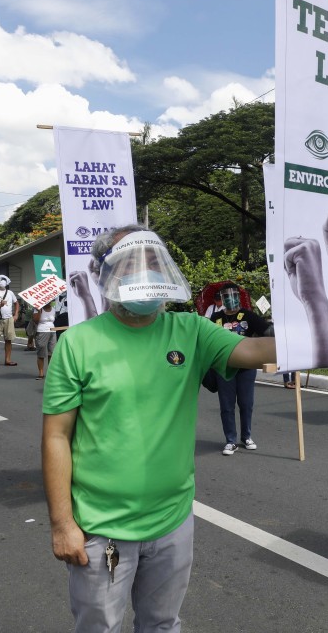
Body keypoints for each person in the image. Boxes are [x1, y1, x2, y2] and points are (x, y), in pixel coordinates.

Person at [41, 225, 276, 633]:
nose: (145, 273)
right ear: (105, 274)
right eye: (132, 265)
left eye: (153, 263)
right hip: (101, 529)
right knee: (100, 628)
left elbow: (254, 350)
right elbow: (56, 436)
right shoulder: (77, 344)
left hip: (172, 521)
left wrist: (325, 333)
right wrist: (63, 525)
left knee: (163, 625)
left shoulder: (190, 330)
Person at [210, 282, 271, 455]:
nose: (231, 298)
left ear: (238, 296)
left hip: (246, 368)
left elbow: (267, 330)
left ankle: (246, 436)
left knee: (246, 404)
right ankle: (231, 440)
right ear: (221, 299)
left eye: (234, 294)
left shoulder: (248, 316)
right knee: (227, 406)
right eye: (226, 295)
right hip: (224, 368)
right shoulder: (215, 319)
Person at [33, 299, 57, 380]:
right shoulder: (37, 309)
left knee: (52, 352)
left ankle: (51, 372)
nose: (49, 301)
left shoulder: (53, 309)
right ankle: (41, 372)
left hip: (52, 331)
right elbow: (36, 320)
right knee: (41, 352)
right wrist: (39, 310)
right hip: (42, 331)